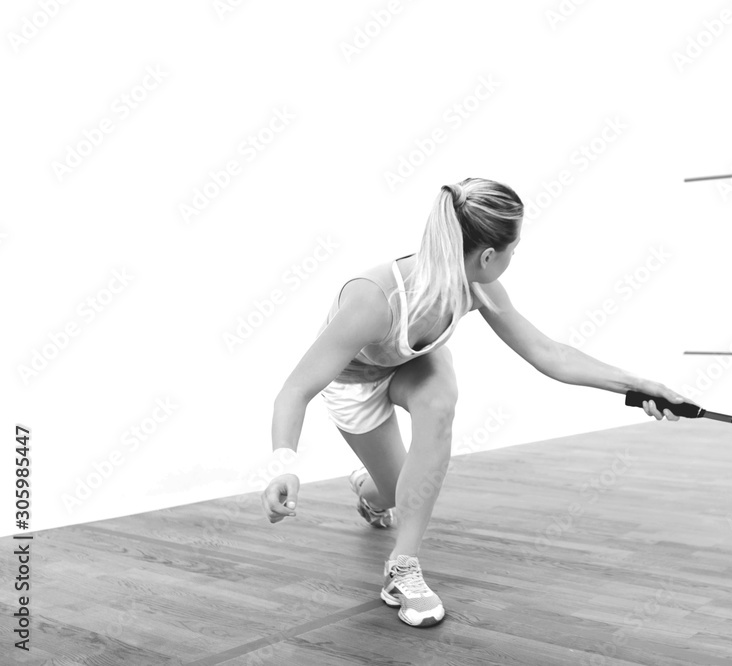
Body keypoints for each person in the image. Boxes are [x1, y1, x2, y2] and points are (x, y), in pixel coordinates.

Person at [261, 177, 685, 627]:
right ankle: (371, 490)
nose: (512, 257)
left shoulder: (475, 285)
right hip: (356, 385)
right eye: (513, 250)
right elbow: (295, 389)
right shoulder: (375, 299)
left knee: (439, 403)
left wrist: (639, 385)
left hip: (411, 366)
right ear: (487, 256)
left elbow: (549, 354)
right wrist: (283, 465)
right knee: (392, 491)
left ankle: (402, 570)